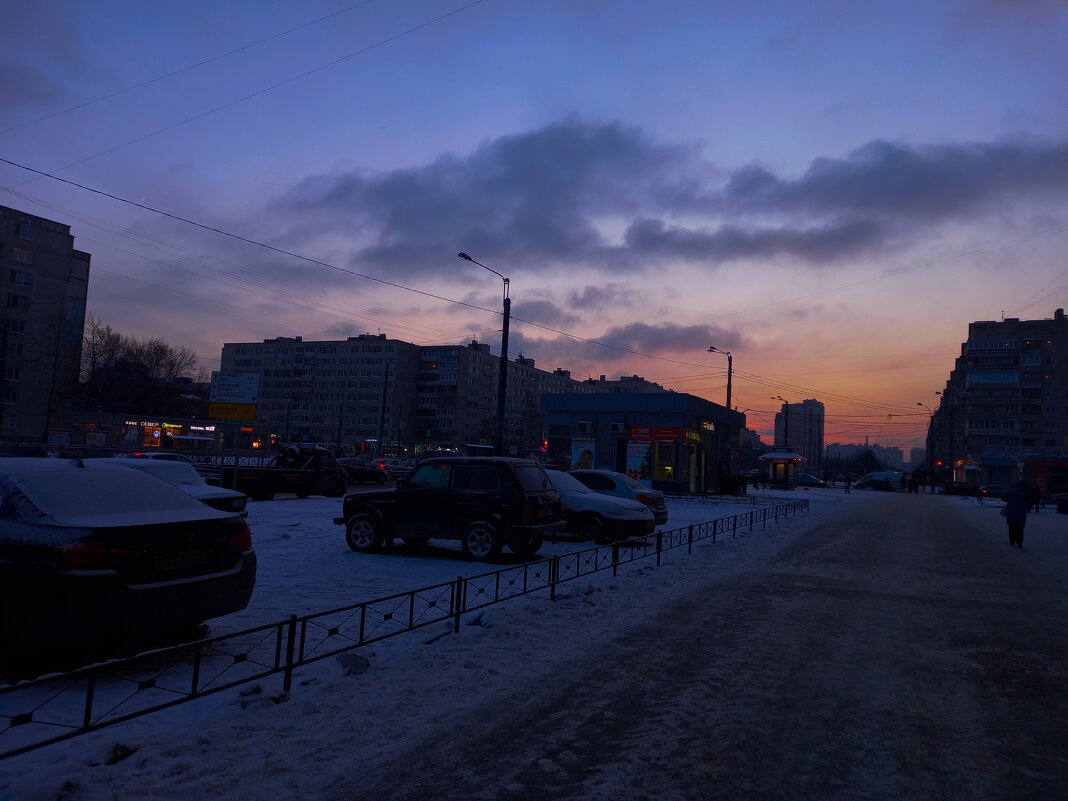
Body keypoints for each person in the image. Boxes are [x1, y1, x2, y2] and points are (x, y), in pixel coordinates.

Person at [1001, 481, 1030, 548]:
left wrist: (1011, 501)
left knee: (1012, 527)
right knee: (1020, 528)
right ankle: (1019, 542)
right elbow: (1029, 501)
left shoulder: (1011, 491)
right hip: (1021, 512)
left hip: (1011, 511)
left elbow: (1004, 498)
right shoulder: (1025, 492)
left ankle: (1012, 541)